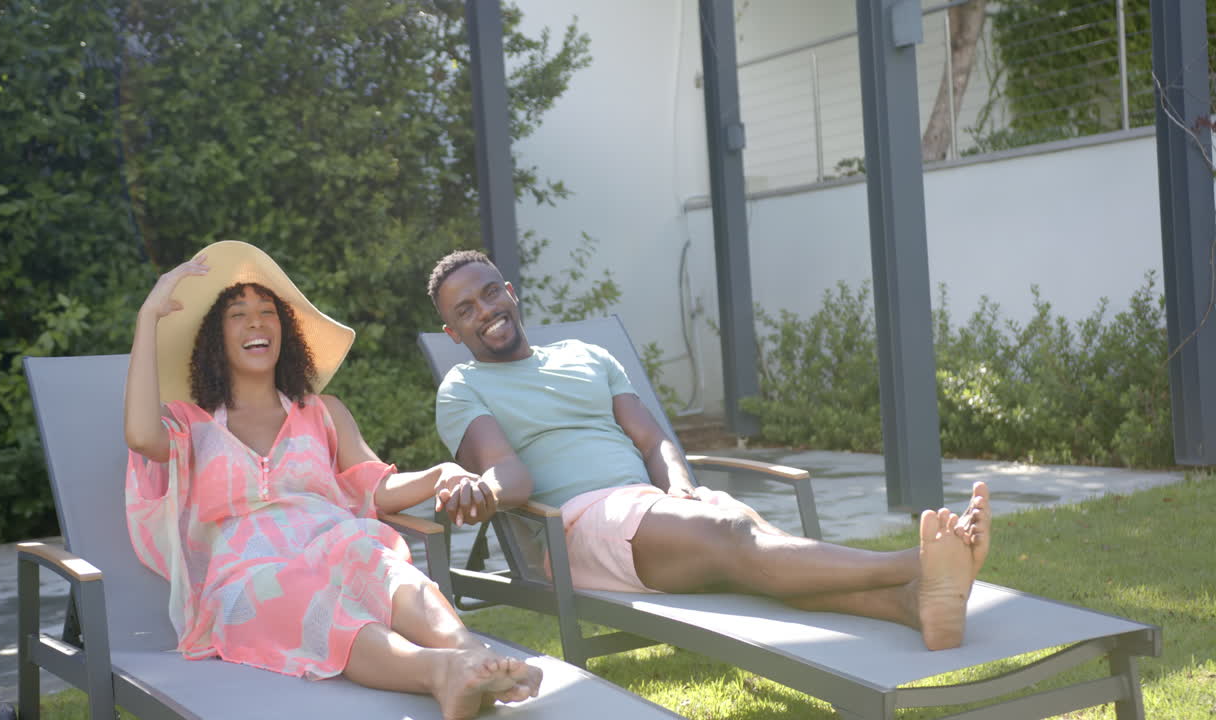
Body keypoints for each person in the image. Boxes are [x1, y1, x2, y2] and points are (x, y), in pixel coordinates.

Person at [426, 249, 992, 652]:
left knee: (761, 552)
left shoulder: (588, 355)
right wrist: (484, 492)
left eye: (489, 292)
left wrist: (681, 488)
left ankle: (915, 605)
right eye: (464, 310)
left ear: (511, 292)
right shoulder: (464, 387)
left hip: (653, 505)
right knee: (741, 540)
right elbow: (509, 476)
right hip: (576, 528)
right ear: (453, 332)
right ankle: (918, 562)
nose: (484, 310)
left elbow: (653, 440)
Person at [123, 240, 540, 720]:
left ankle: (472, 655)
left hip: (333, 543)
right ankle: (439, 672)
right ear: (215, 338)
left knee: (378, 560)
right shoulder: (189, 423)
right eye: (238, 314)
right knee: (310, 600)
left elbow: (375, 488)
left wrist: (442, 473)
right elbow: (138, 434)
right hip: (249, 578)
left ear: (285, 331)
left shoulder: (323, 412)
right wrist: (150, 314)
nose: (256, 322)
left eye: (268, 312)